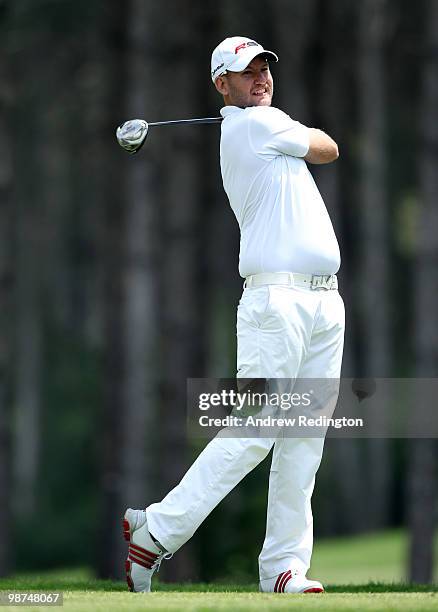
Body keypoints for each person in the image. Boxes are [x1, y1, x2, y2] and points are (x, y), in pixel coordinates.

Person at [123, 36, 345, 595]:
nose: (261, 78)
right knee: (255, 430)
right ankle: (155, 535)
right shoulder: (254, 126)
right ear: (222, 84)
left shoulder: (263, 126)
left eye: (265, 67)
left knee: (304, 440)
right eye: (247, 72)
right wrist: (294, 128)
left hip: (322, 302)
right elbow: (329, 148)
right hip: (278, 302)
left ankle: (284, 570)